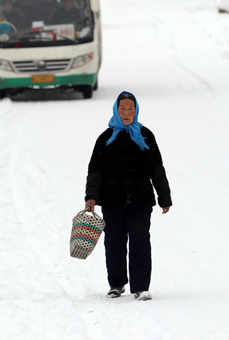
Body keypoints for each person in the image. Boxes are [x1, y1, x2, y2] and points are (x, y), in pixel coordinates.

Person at [84, 91, 171, 301]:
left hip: (141, 200)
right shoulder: (105, 139)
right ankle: (117, 284)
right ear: (116, 110)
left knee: (140, 241)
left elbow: (156, 168)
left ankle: (141, 287)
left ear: (136, 110)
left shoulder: (146, 136)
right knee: (114, 242)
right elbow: (95, 171)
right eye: (122, 108)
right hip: (112, 202)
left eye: (130, 108)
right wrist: (91, 197)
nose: (126, 112)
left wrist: (164, 197)